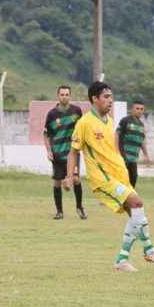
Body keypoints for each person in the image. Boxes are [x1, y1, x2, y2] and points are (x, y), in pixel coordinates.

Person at [64, 81, 154, 272]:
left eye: (111, 97)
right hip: (103, 179)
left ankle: (125, 258)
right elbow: (73, 152)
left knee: (136, 215)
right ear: (94, 99)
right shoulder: (84, 122)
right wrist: (70, 176)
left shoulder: (110, 121)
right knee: (137, 204)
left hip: (119, 175)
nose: (110, 100)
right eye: (106, 97)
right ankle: (149, 251)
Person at [43, 85, 86, 220]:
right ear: (58, 96)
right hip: (57, 153)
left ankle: (79, 208)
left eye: (67, 94)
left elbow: (82, 130)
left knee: (76, 179)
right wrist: (49, 151)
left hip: (72, 152)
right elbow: (46, 134)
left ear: (70, 96)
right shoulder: (52, 114)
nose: (64, 97)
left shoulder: (76, 111)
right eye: (62, 94)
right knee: (57, 182)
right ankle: (59, 212)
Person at [115, 100, 151, 187]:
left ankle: (128, 199)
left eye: (142, 109)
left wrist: (146, 155)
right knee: (123, 181)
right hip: (124, 156)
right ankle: (119, 199)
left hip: (133, 159)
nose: (139, 111)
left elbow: (141, 141)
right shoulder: (125, 120)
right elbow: (116, 134)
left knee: (133, 179)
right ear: (132, 109)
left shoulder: (141, 125)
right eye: (137, 108)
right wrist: (117, 151)